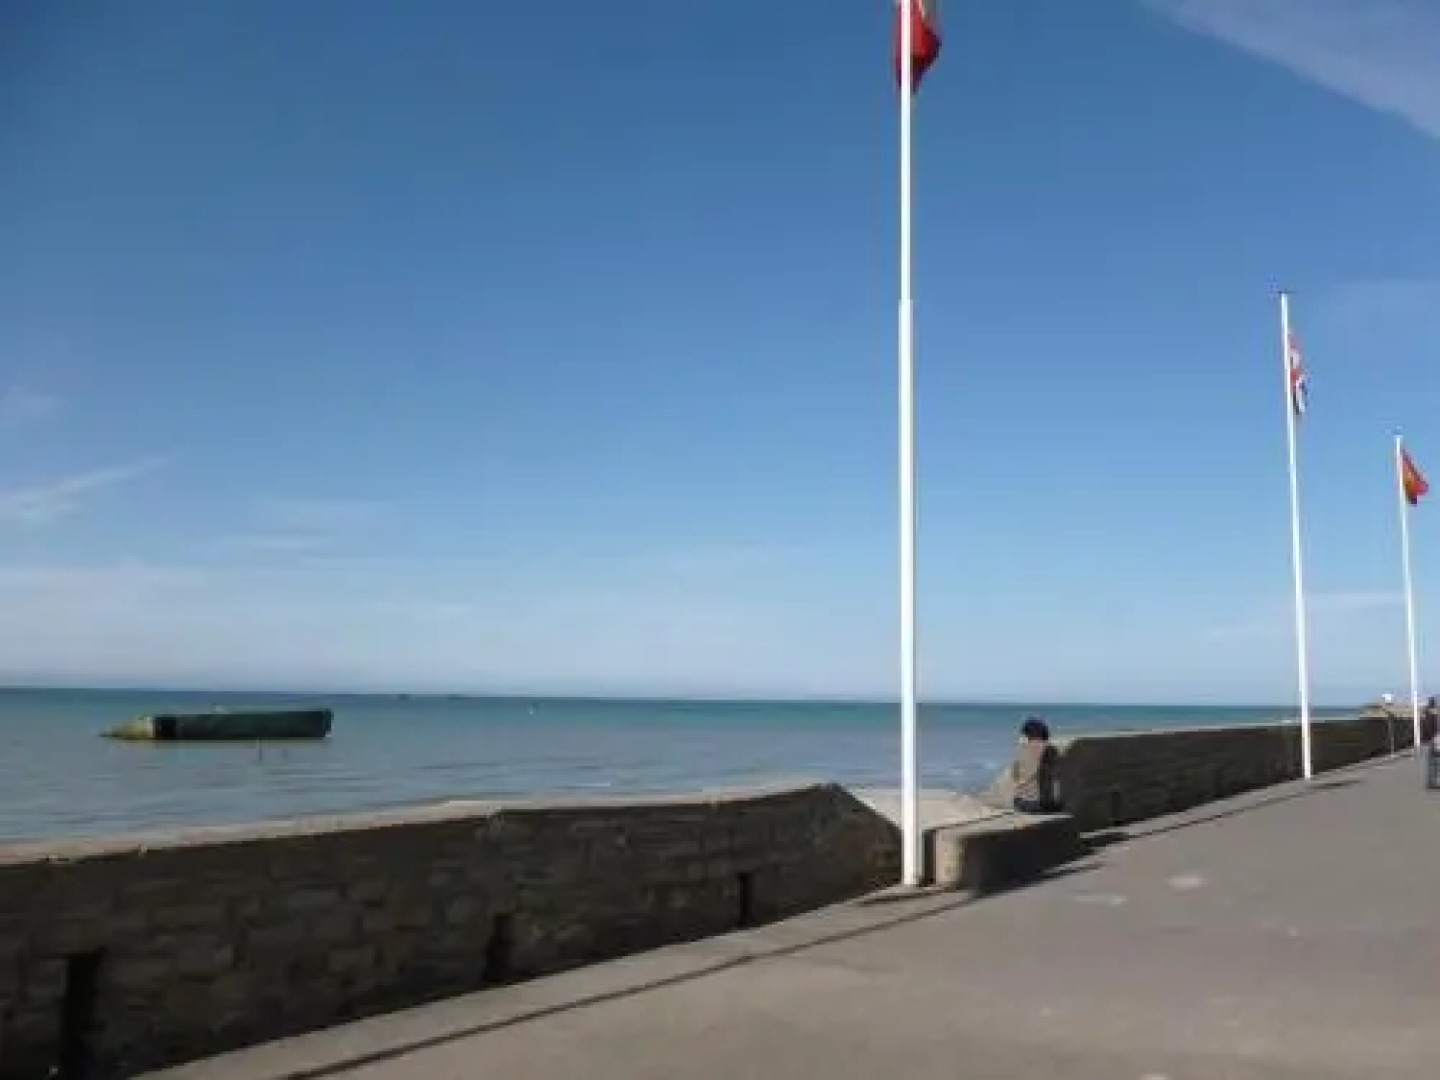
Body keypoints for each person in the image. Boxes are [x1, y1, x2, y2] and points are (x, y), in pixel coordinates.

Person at [1011, 716, 1061, 814]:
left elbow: (1015, 776)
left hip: (1023, 803)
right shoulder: (1050, 749)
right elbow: (1058, 774)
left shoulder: (1023, 750)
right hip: (1043, 804)